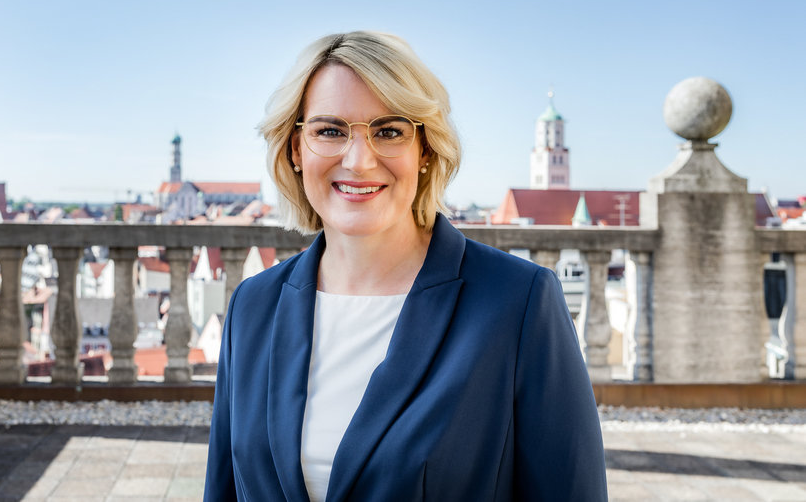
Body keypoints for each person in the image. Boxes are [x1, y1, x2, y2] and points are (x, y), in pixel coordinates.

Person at [204, 31, 607, 501]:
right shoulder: (252, 306)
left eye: (389, 131)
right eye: (330, 131)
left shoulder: (517, 303)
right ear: (297, 150)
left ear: (425, 151)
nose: (358, 160)